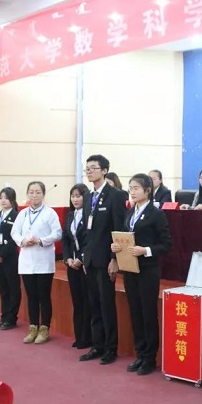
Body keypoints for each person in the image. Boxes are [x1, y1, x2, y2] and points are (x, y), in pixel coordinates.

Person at [111, 174, 172, 376]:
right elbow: (124, 236)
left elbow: (166, 245)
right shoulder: (130, 213)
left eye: (136, 188)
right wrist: (116, 247)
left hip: (148, 270)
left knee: (148, 313)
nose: (132, 192)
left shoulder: (156, 214)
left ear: (148, 190)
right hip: (130, 269)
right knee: (135, 312)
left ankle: (149, 357)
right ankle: (140, 353)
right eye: (131, 188)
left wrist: (145, 250)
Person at [79, 155, 128, 365]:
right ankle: (97, 345)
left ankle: (110, 347)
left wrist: (115, 259)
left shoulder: (116, 195)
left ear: (105, 170)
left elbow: (119, 229)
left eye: (94, 168)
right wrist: (84, 256)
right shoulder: (88, 197)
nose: (89, 172)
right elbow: (86, 230)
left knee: (107, 304)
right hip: (90, 258)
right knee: (94, 304)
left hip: (106, 258)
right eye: (87, 168)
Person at [10, 181, 62, 344]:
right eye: (31, 192)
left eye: (38, 192)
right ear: (27, 194)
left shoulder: (50, 213)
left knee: (43, 296)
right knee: (31, 296)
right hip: (27, 260)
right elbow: (14, 232)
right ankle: (33, 327)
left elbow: (57, 233)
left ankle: (44, 328)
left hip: (44, 260)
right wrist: (22, 241)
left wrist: (41, 240)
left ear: (43, 194)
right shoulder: (23, 214)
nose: (34, 195)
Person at [61, 183, 92, 349]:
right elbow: (65, 239)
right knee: (77, 301)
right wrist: (67, 258)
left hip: (85, 264)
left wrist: (81, 258)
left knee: (87, 301)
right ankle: (79, 335)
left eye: (78, 196)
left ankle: (88, 337)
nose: (75, 199)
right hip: (71, 264)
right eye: (73, 196)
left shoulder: (90, 215)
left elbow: (90, 240)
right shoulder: (70, 216)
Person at [0, 187, 21, 330]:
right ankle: (4, 316)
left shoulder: (17, 216)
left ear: (12, 200)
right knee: (3, 289)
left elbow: (15, 238)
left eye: (6, 198)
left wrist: (2, 254)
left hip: (10, 258)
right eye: (1, 198)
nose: (3, 200)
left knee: (13, 288)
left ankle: (11, 318)